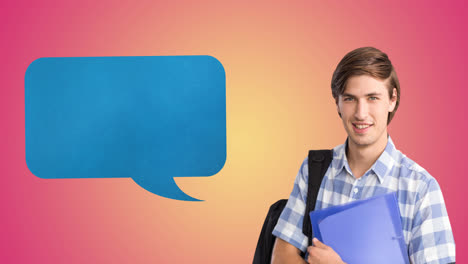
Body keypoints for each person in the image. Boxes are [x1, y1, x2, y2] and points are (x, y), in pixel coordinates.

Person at [270, 47, 456, 264]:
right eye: (350, 99)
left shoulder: (420, 188)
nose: (361, 113)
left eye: (372, 98)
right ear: (337, 102)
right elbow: (281, 257)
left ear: (392, 99)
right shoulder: (314, 171)